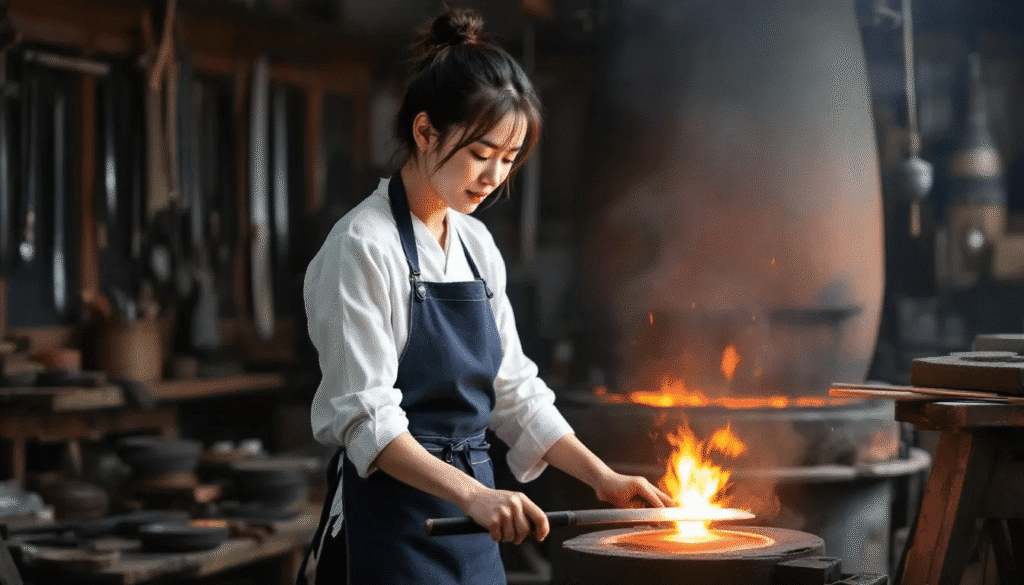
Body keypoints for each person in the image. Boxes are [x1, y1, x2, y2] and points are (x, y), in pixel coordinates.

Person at [298, 5, 672, 584]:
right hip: (394, 523)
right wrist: (473, 496)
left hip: (476, 522)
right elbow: (366, 419)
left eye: (509, 159)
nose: (494, 176)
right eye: (480, 154)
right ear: (425, 132)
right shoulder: (362, 246)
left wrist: (603, 477)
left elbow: (514, 391)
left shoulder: (474, 244)